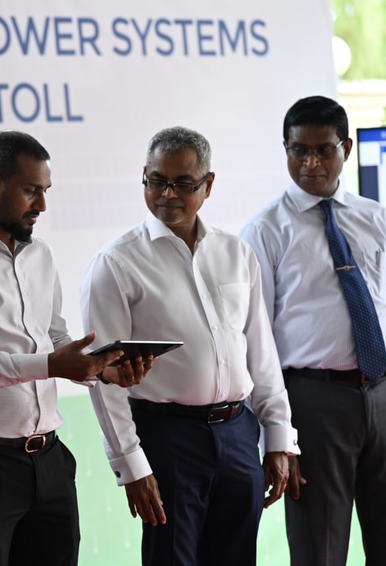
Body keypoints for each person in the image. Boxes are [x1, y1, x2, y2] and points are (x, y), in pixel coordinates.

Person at [0, 130, 150, 565]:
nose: (41, 205)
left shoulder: (40, 254)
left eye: (45, 191)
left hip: (49, 459)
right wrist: (51, 364)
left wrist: (99, 368)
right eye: (30, 191)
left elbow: (53, 335)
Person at [81, 126, 299, 566]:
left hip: (239, 433)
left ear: (208, 184)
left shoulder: (237, 253)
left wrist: (279, 437)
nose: (168, 194)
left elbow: (261, 353)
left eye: (183, 183)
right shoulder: (116, 263)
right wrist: (131, 464)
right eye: (157, 181)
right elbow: (103, 378)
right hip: (167, 438)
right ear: (144, 177)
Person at [240, 96, 386, 565]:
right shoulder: (264, 231)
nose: (310, 162)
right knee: (319, 549)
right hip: (314, 405)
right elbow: (256, 343)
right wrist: (277, 435)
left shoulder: (377, 218)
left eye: (323, 150)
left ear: (347, 149)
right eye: (299, 150)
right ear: (285, 149)